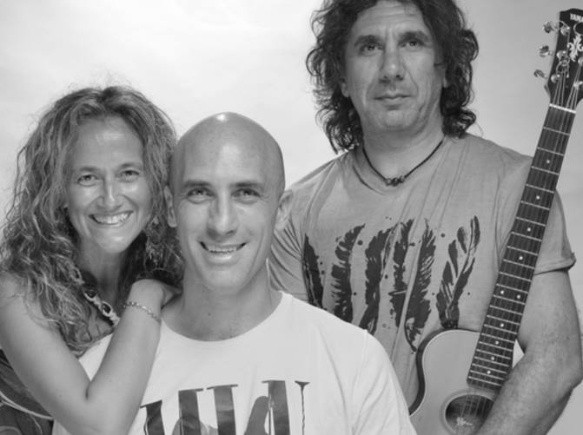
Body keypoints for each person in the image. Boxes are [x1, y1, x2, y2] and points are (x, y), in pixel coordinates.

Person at [268, 0, 583, 433]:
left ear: (446, 68)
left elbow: (557, 355)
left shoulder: (514, 184)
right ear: (341, 77)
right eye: (369, 47)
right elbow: (289, 373)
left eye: (412, 42)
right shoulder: (295, 211)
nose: (391, 69)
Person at [53, 112, 415, 434]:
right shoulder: (98, 376)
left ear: (282, 210)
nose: (222, 223)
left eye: (245, 193)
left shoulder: (353, 361)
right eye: (199, 193)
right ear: (170, 208)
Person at [0, 86, 182, 435]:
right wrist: (147, 295)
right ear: (58, 192)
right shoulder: (17, 291)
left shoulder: (171, 268)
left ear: (156, 182)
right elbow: (99, 427)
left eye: (128, 173)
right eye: (87, 178)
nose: (110, 198)